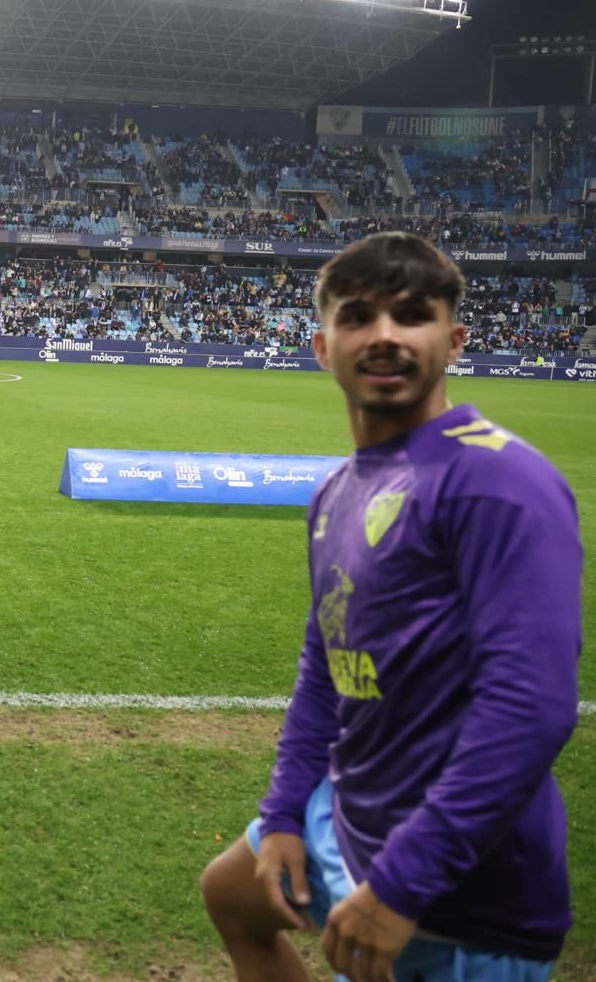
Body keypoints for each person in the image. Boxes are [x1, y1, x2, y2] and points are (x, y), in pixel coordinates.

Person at [200, 231, 582, 982]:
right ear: (321, 345)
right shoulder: (339, 489)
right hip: (352, 815)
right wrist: (282, 815)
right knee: (231, 894)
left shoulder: (499, 481)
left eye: (411, 315)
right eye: (357, 316)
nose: (383, 336)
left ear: (455, 339)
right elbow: (326, 663)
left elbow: (529, 707)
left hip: (464, 889)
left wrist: (405, 882)